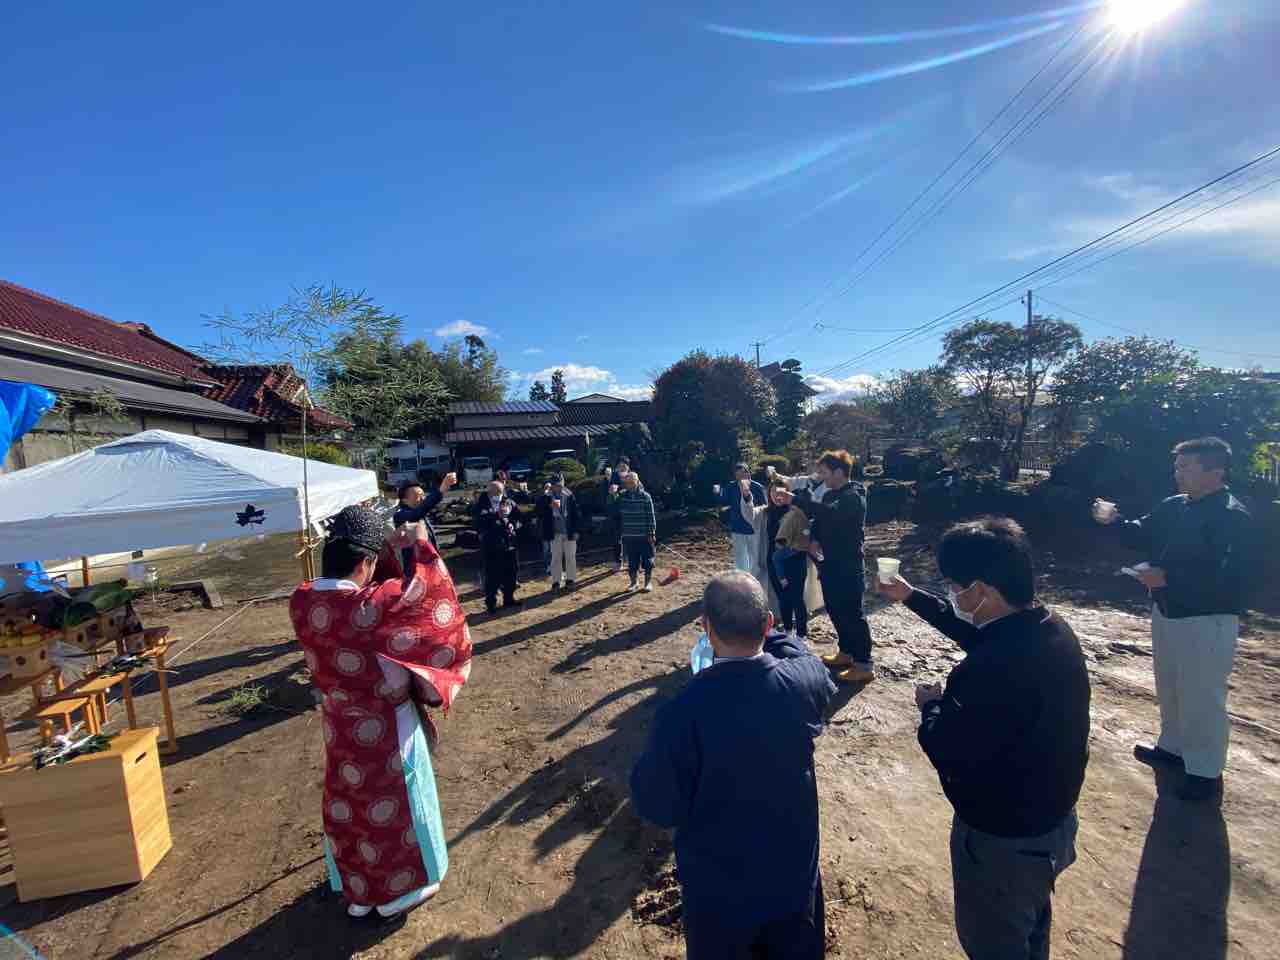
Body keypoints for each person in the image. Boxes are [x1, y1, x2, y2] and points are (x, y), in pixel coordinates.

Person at [877, 517, 1089, 960]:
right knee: (1029, 926)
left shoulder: (991, 669)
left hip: (1003, 841)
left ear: (981, 590)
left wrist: (931, 706)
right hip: (1049, 822)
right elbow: (979, 635)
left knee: (995, 941)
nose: (952, 593)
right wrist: (912, 596)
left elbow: (949, 749)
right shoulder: (1047, 628)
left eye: (954, 587)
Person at [631, 572, 836, 959]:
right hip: (793, 887)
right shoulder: (802, 682)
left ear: (706, 628)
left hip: (720, 899)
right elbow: (806, 658)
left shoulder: (682, 712)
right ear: (768, 623)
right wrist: (770, 636)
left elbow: (656, 806)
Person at [291, 507, 471, 920]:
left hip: (339, 722)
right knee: (397, 801)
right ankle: (399, 892)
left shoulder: (300, 600)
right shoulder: (373, 605)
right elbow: (430, 595)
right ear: (366, 563)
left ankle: (359, 892)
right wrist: (420, 544)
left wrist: (385, 546)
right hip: (388, 721)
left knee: (350, 801)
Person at [1092, 436, 1257, 802]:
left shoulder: (1231, 516)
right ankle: (1173, 748)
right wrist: (1114, 520)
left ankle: (1205, 772)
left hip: (1207, 620)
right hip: (1167, 610)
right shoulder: (1176, 505)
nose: (1177, 473)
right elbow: (1142, 533)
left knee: (1202, 695)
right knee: (1170, 684)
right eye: (1177, 466)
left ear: (1216, 471)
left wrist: (1170, 579)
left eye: (1186, 467)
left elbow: (1233, 578)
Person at [776, 450, 873, 685]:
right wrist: (814, 538)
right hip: (828, 564)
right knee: (834, 608)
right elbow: (819, 520)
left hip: (848, 566)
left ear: (839, 472)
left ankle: (864, 664)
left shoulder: (854, 496)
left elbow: (832, 514)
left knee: (852, 614)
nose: (821, 476)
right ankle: (846, 652)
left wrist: (795, 499)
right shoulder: (830, 494)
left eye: (824, 472)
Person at [769, 482, 811, 640]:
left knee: (797, 598)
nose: (777, 495)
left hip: (795, 560)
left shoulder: (796, 512)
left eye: (781, 492)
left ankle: (801, 634)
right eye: (773, 492)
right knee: (783, 598)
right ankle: (787, 630)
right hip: (775, 561)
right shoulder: (766, 512)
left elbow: (807, 530)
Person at [392, 472, 457, 572]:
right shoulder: (400, 515)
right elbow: (417, 514)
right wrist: (441, 489)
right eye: (418, 496)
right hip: (416, 570)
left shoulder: (421, 513)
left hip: (431, 565)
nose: (423, 499)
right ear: (404, 500)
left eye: (423, 495)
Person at [479, 492, 524, 613]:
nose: (504, 508)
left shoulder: (509, 509)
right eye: (501, 505)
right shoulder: (486, 512)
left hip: (510, 550)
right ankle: (491, 604)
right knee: (493, 578)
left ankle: (509, 599)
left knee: (511, 575)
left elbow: (519, 519)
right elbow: (483, 528)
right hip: (494, 552)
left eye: (506, 506)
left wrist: (513, 525)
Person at [718, 462, 766, 573]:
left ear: (748, 473)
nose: (740, 476)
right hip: (737, 526)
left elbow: (764, 506)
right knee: (740, 557)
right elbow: (724, 502)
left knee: (754, 556)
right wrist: (718, 493)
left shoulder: (757, 487)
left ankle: (754, 577)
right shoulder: (731, 487)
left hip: (753, 528)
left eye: (743, 473)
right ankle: (742, 577)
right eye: (738, 474)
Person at [538, 473, 581, 591]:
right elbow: (538, 512)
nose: (559, 487)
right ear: (552, 485)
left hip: (569, 531)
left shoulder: (569, 495)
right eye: (557, 485)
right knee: (556, 557)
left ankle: (570, 579)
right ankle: (556, 581)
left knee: (570, 556)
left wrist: (576, 530)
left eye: (561, 484)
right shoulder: (546, 496)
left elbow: (576, 514)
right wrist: (548, 505)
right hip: (555, 532)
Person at [616, 471, 657, 592]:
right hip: (629, 535)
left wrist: (651, 533)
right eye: (628, 482)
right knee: (632, 561)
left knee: (648, 560)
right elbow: (613, 508)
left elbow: (651, 516)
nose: (630, 484)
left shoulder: (646, 496)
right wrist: (612, 495)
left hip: (644, 536)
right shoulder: (621, 497)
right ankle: (634, 583)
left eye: (632, 482)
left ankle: (648, 583)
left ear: (637, 482)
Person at [535, 481, 554, 577]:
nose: (548, 489)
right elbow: (538, 512)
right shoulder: (540, 499)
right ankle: (547, 567)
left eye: (550, 488)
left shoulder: (554, 498)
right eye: (546, 487)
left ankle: (553, 566)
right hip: (545, 527)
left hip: (554, 528)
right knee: (546, 550)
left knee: (553, 550)